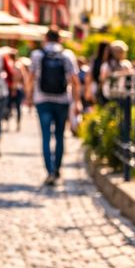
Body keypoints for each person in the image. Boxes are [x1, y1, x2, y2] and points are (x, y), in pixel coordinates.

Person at [28, 29, 81, 186]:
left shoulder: (37, 55)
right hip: (62, 100)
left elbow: (30, 78)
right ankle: (57, 170)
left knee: (45, 136)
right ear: (60, 40)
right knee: (59, 136)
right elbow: (75, 81)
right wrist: (77, 101)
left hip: (42, 100)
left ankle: (49, 171)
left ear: (45, 38)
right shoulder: (67, 55)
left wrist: (29, 96)